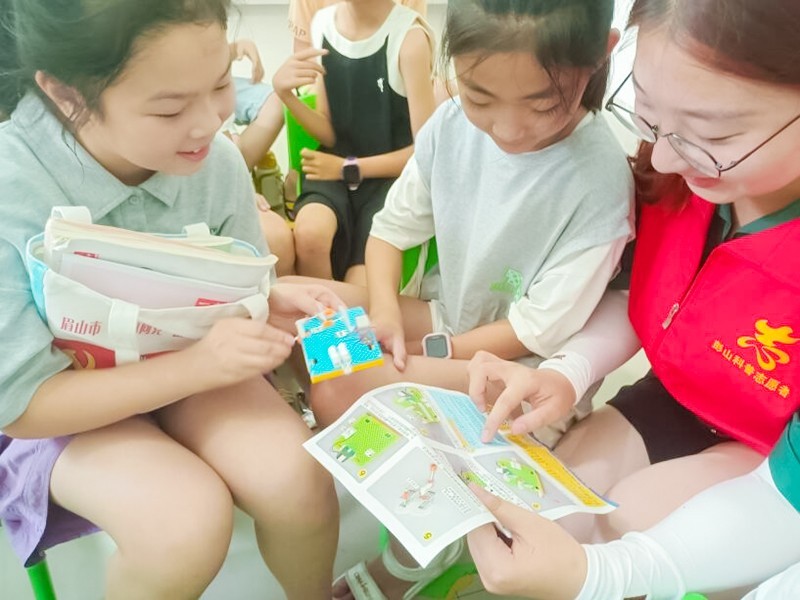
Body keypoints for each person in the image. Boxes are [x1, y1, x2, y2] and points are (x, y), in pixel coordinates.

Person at [282, 0, 634, 596]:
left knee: (340, 381)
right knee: (303, 307)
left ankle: (435, 538)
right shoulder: (450, 126)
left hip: (522, 374)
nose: (508, 129)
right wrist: (386, 314)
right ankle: (411, 482)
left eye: (542, 103)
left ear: (600, 55)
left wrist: (425, 349)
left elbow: (533, 332)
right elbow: (390, 231)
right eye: (479, 97)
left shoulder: (597, 179)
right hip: (454, 320)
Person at [0, 2, 342, 599]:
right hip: (58, 405)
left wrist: (267, 299)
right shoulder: (13, 185)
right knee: (182, 525)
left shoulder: (215, 163)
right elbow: (21, 403)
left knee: (296, 478)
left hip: (190, 365)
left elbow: (228, 291)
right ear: (65, 93)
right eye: (170, 108)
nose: (209, 123)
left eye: (221, 85)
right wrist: (198, 366)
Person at [464, 0, 800, 593]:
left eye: (714, 134)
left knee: (632, 518)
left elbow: (784, 500)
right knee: (552, 500)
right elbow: (652, 295)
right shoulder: (681, 170)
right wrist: (568, 370)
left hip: (774, 451)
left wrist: (606, 574)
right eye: (644, 112)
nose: (663, 157)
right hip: (682, 396)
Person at [464, 413, 800, 599]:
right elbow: (783, 495)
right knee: (568, 514)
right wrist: (601, 573)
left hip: (755, 430)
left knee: (626, 515)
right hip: (682, 395)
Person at [273, 0, 436, 284]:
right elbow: (330, 131)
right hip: (333, 171)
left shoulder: (410, 39)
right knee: (310, 235)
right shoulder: (322, 24)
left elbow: (426, 154)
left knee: (359, 280)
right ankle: (322, 314)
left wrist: (348, 168)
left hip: (389, 182)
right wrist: (285, 95)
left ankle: (345, 313)